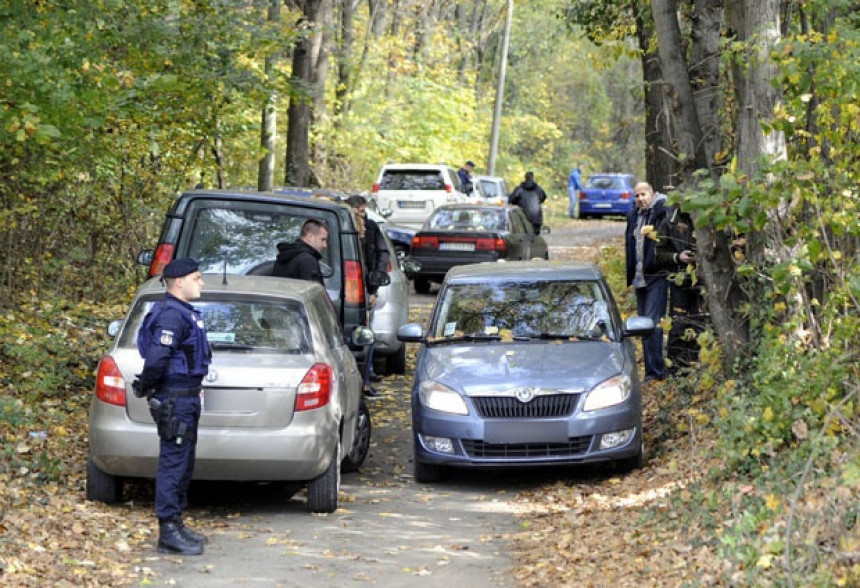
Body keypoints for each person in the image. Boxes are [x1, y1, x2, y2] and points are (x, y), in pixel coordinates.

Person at [134, 258, 211, 556]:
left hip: (187, 397)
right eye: (197, 278)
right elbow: (156, 360)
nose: (201, 283)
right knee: (173, 462)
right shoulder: (171, 316)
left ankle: (176, 523)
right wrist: (148, 386)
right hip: (175, 398)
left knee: (184, 462)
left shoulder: (182, 313)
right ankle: (167, 530)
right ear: (179, 281)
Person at [625, 182, 670, 382]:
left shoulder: (661, 212)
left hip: (656, 276)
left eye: (643, 194)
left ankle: (656, 373)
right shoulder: (634, 215)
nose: (640, 198)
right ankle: (651, 371)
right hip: (639, 277)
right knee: (643, 327)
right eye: (637, 196)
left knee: (652, 325)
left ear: (652, 194)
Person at [346, 195, 391, 395]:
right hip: (347, 287)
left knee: (365, 335)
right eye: (357, 213)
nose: (362, 222)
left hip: (364, 286)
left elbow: (382, 255)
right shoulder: (342, 229)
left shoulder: (371, 229)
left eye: (363, 213)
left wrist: (373, 287)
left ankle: (365, 377)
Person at [656, 204, 705, 373]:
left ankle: (698, 368)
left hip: (704, 283)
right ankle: (676, 370)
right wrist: (678, 257)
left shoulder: (706, 218)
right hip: (680, 282)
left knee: (701, 323)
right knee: (678, 324)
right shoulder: (669, 222)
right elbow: (659, 253)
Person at [271, 218, 330, 285]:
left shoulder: (284, 256)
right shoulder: (308, 261)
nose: (325, 245)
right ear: (310, 237)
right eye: (322, 239)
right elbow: (315, 292)